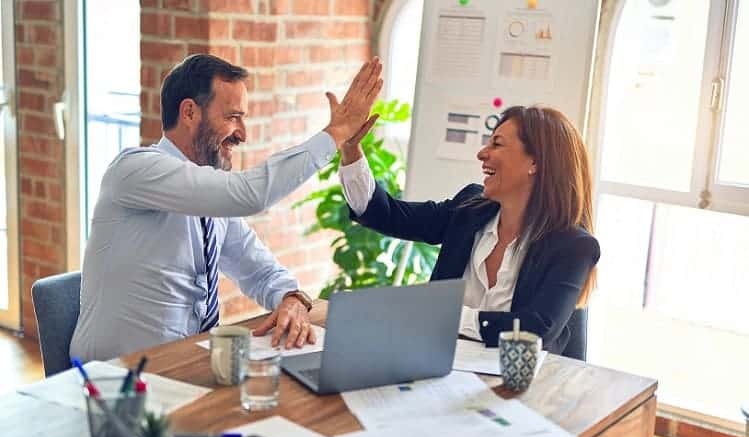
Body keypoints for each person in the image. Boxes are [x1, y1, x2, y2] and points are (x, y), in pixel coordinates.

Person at [70, 54, 382, 361]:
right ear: (190, 113)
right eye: (233, 117)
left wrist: (291, 297)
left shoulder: (209, 199)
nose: (242, 134)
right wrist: (337, 133)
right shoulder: (135, 170)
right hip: (114, 380)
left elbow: (258, 269)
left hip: (186, 366)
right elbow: (250, 194)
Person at [339, 105, 599, 354]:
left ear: (535, 163)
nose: (482, 153)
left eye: (496, 144)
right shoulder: (469, 209)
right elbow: (387, 215)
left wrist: (447, 315)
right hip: (438, 367)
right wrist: (351, 150)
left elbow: (535, 329)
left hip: (519, 385)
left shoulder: (573, 246)